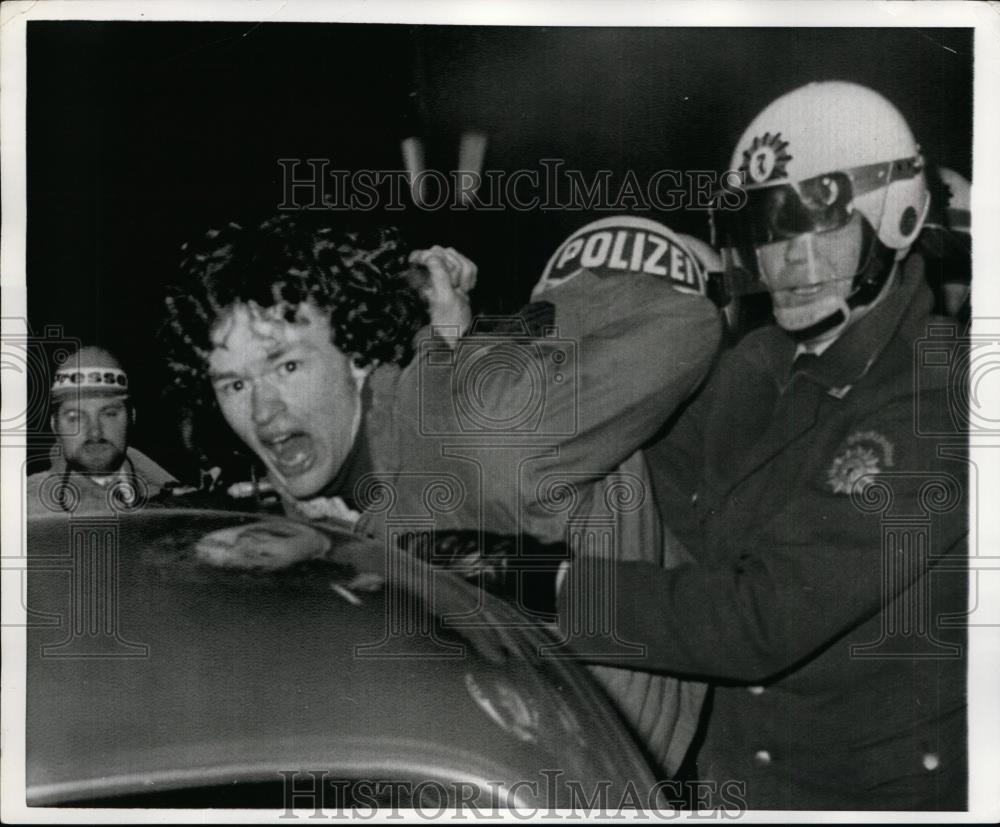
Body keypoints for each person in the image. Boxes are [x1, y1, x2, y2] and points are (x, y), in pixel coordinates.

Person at [162, 213, 723, 778]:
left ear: (356, 358)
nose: (263, 412)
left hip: (619, 767)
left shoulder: (489, 423)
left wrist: (548, 308)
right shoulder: (310, 483)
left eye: (286, 365)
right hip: (482, 762)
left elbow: (686, 324)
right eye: (234, 383)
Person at [556, 81, 969, 810]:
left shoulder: (939, 395)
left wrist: (544, 587)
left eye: (820, 225)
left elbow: (760, 619)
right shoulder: (759, 365)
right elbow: (645, 470)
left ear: (894, 217)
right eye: (772, 229)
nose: (790, 260)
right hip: (736, 778)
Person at [26, 346, 176, 516]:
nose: (95, 433)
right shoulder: (25, 510)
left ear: (131, 417)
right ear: (55, 426)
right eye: (75, 418)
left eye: (109, 414)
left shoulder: (176, 501)